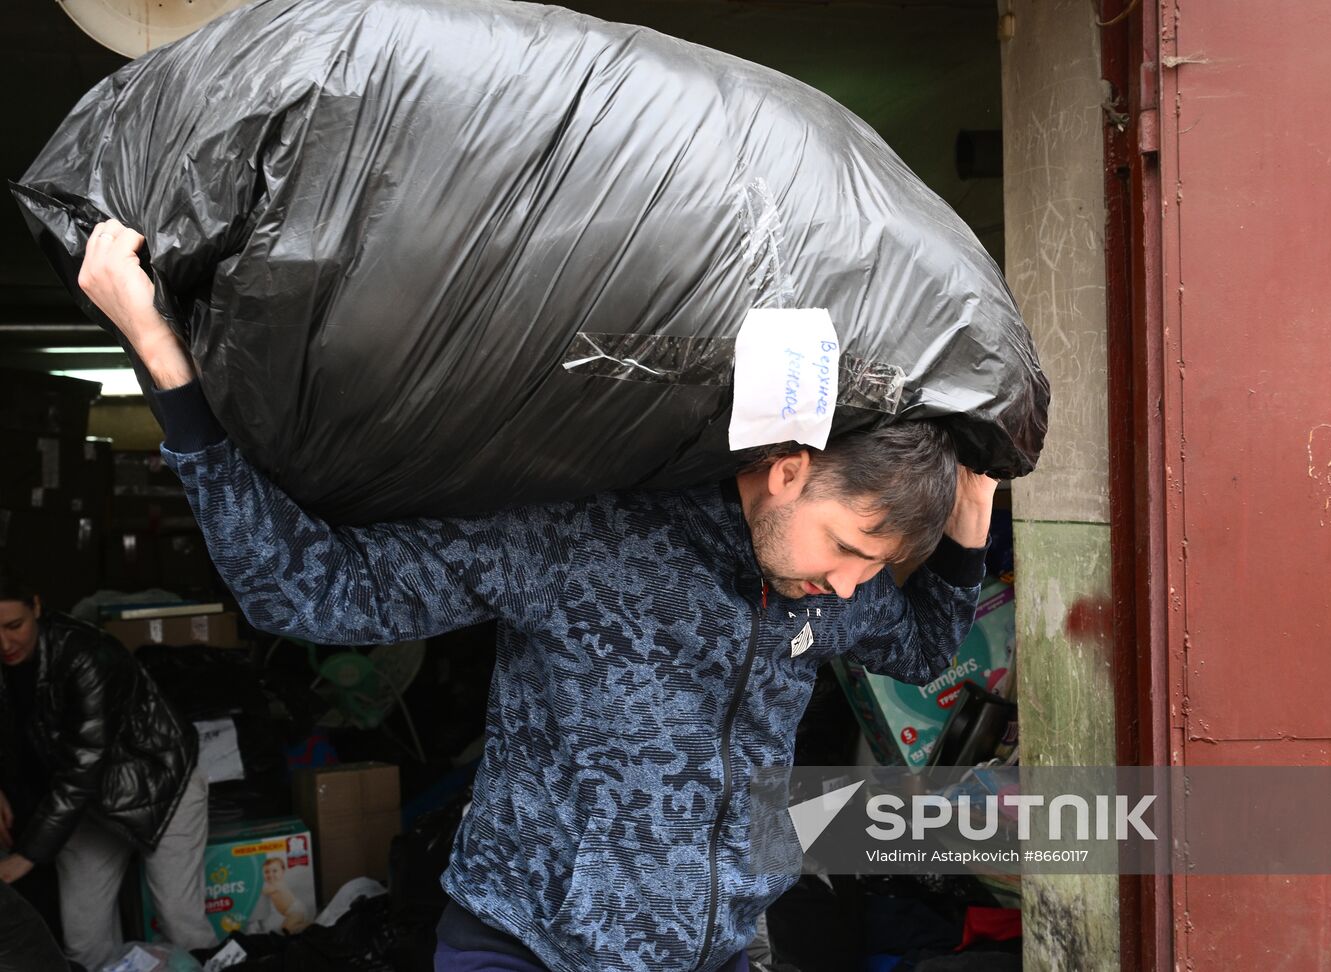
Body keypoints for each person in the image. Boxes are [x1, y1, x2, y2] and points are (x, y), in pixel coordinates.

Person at [78, 218, 998, 972]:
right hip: (529, 948)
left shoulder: (815, 589)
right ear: (789, 471)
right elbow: (307, 592)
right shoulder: (583, 537)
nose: (847, 586)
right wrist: (165, 362)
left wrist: (974, 512)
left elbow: (920, 651)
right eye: (848, 549)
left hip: (719, 953)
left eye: (870, 572)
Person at [0, 568, 219, 970]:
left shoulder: (87, 653)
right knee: (84, 944)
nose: (4, 643)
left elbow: (84, 764)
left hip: (157, 785)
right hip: (80, 804)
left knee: (180, 924)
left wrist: (24, 856)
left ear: (36, 607)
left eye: (14, 625)